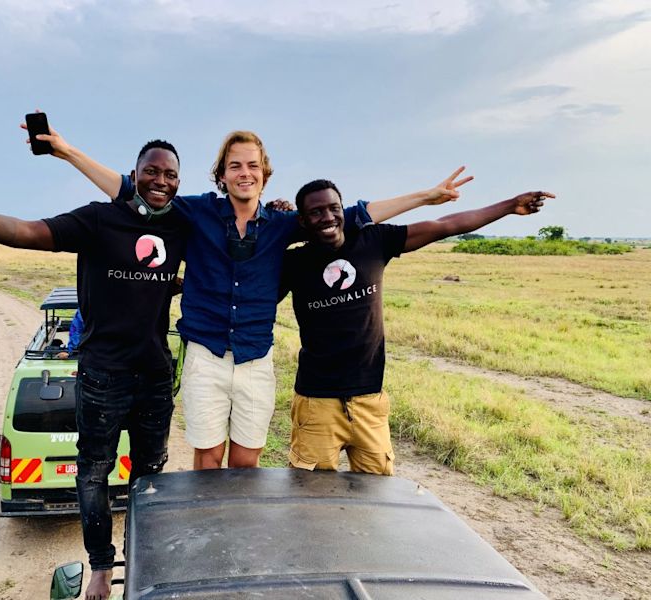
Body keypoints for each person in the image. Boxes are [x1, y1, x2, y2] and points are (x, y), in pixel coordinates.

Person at [26, 119, 472, 469]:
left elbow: (357, 214)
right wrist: (67, 152)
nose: (245, 173)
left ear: (265, 173)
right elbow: (128, 187)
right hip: (205, 356)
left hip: (256, 360)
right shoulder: (196, 212)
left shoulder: (283, 224)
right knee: (207, 457)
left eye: (253, 165)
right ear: (221, 174)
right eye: (235, 165)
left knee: (246, 460)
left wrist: (426, 196)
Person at [0, 140, 188, 600]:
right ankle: (102, 567)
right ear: (134, 174)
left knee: (150, 475)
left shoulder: (179, 224)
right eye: (152, 172)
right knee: (93, 473)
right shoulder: (97, 219)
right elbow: (25, 231)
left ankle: (147, 556)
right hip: (102, 376)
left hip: (153, 376)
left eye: (170, 175)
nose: (161, 182)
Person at [280, 179, 554, 474]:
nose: (328, 217)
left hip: (370, 402)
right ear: (303, 221)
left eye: (334, 208)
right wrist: (276, 222)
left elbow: (445, 225)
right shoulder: (293, 262)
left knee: (375, 497)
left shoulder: (373, 241)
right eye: (316, 212)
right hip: (316, 403)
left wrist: (509, 206)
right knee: (310, 503)